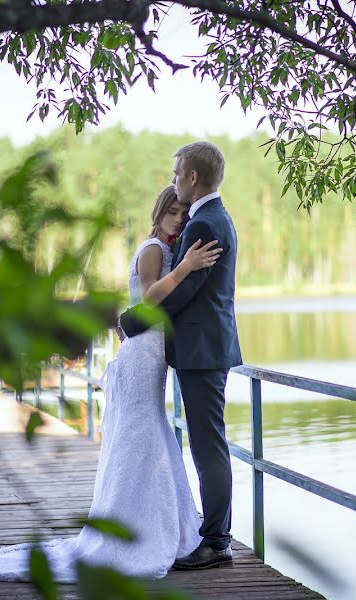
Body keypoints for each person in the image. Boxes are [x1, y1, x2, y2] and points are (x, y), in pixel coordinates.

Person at [0, 184, 222, 582]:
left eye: (184, 213)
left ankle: (153, 527)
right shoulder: (155, 251)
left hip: (149, 354)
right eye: (173, 212)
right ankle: (137, 534)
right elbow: (147, 300)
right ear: (159, 212)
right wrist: (186, 269)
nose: (179, 219)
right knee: (142, 437)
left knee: (147, 438)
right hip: (143, 356)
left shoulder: (164, 249)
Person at [118, 141, 242, 571]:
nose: (174, 183)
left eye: (176, 175)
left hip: (203, 352)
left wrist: (134, 321)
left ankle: (217, 542)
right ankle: (216, 535)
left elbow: (185, 293)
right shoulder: (211, 218)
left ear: (192, 177)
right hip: (203, 349)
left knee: (209, 448)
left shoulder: (205, 224)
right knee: (209, 446)